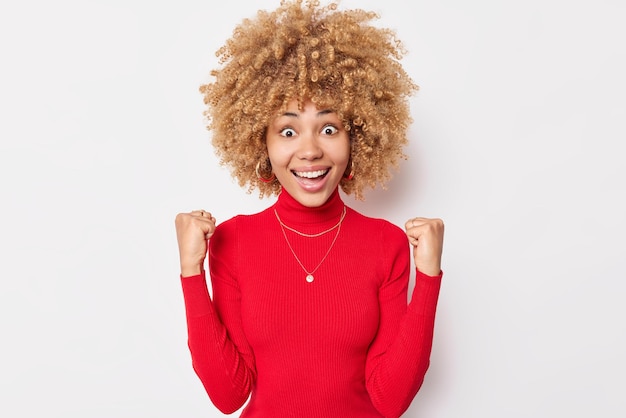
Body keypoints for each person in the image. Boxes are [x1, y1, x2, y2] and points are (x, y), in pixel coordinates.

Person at [174, 1, 444, 417]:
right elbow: (229, 397)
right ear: (259, 142)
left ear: (358, 138)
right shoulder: (233, 241)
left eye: (329, 128)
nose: (311, 150)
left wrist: (428, 277)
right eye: (287, 130)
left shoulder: (387, 243)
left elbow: (390, 401)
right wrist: (191, 272)